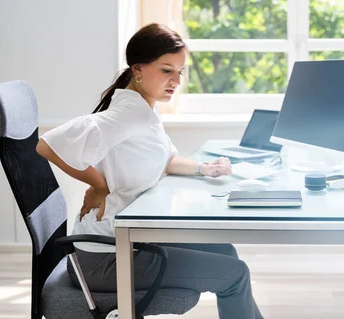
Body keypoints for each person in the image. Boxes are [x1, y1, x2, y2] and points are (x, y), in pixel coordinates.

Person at [36, 23, 264, 319]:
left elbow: (165, 158)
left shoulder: (144, 107)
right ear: (138, 69)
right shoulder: (128, 114)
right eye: (167, 70)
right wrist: (99, 185)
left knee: (225, 251)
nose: (176, 81)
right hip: (105, 258)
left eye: (180, 72)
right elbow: (47, 146)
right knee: (235, 273)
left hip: (126, 241)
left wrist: (203, 168)